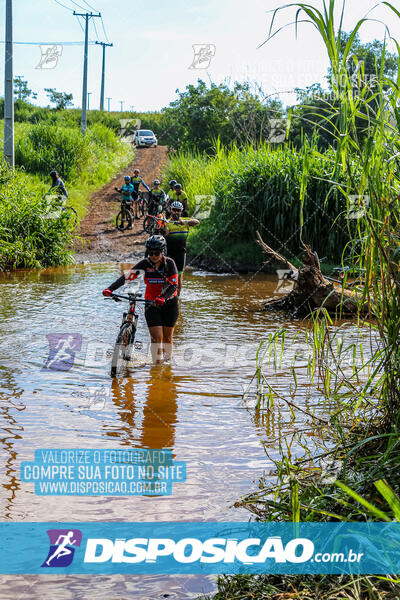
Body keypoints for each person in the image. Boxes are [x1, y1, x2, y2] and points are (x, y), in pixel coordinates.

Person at [102, 235, 179, 364]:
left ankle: (167, 366)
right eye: (151, 253)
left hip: (169, 303)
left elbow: (173, 285)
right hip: (151, 304)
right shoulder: (145, 263)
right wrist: (110, 289)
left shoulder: (169, 264)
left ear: (162, 251)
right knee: (156, 338)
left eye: (157, 253)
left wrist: (163, 298)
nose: (154, 256)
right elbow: (127, 277)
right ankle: (157, 367)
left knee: (167, 338)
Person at [163, 201, 199, 295]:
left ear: (181, 211)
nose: (176, 212)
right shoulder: (167, 222)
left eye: (178, 210)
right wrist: (164, 228)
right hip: (170, 253)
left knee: (179, 276)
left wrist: (185, 222)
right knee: (168, 276)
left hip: (181, 253)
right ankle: (166, 296)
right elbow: (165, 234)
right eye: (174, 210)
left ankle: (177, 297)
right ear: (170, 210)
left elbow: (197, 222)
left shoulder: (185, 221)